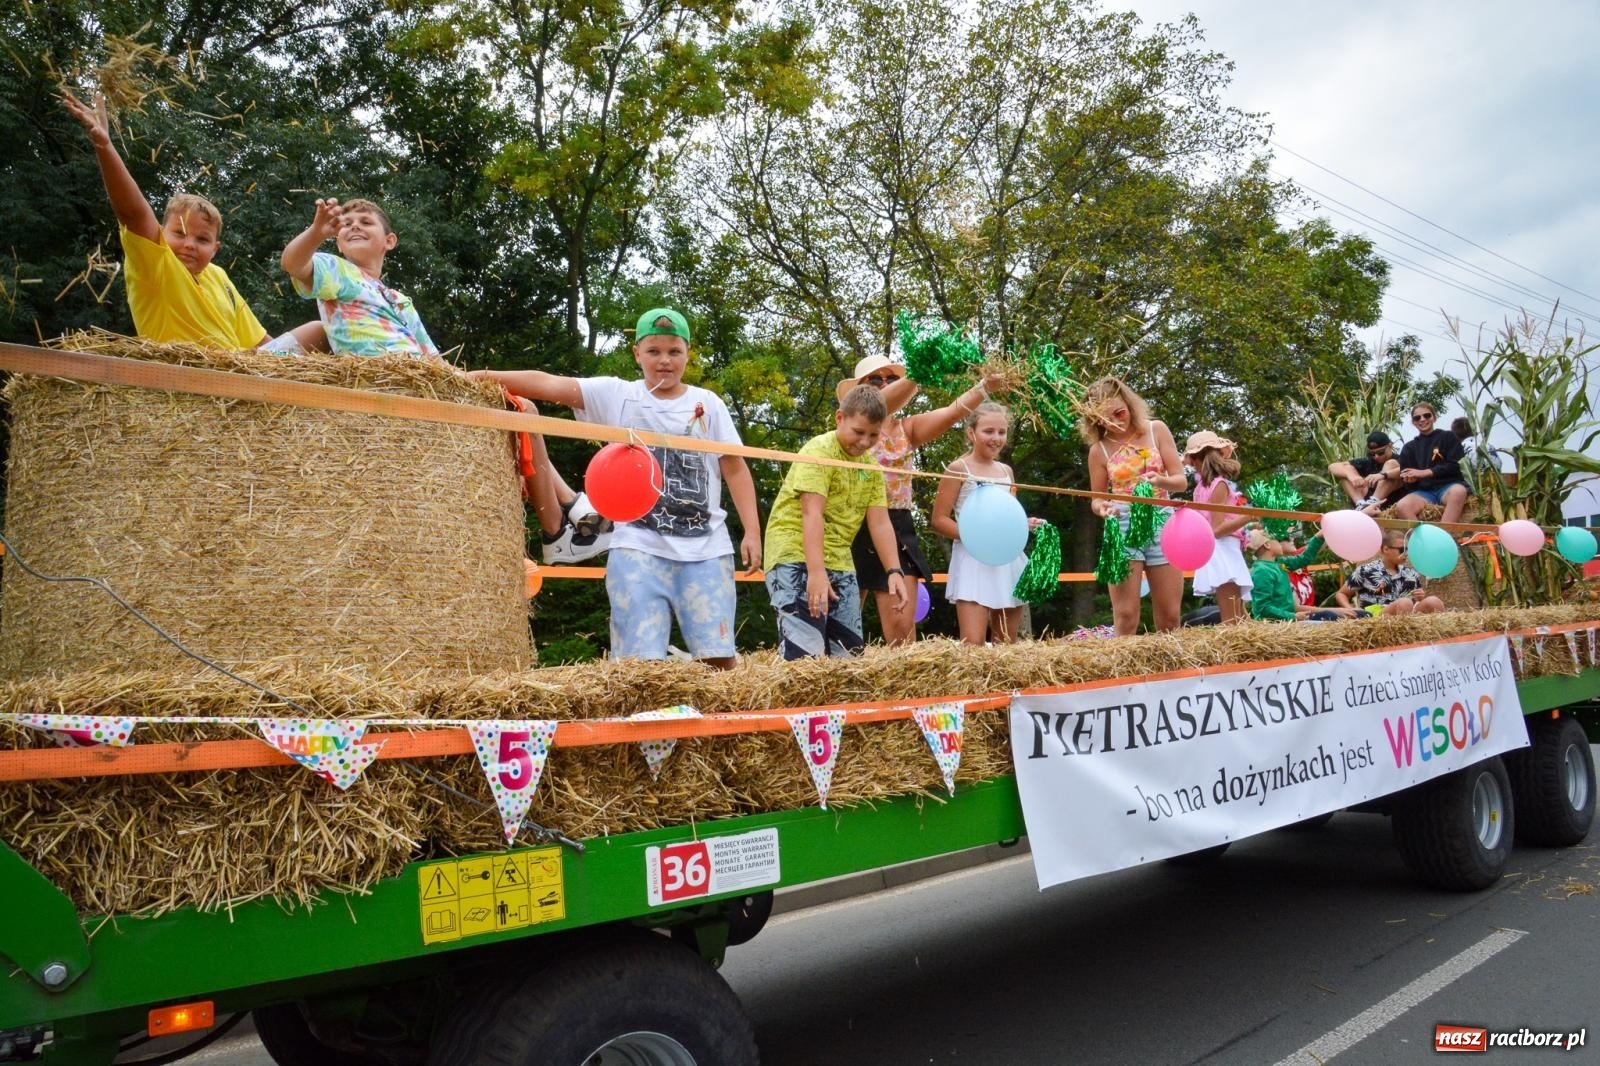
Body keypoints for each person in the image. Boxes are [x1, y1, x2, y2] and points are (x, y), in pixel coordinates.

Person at [472, 307, 762, 668]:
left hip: (705, 550)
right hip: (637, 548)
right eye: (654, 351)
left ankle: (722, 725)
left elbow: (734, 468)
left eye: (674, 351)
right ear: (637, 354)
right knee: (637, 667)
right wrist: (474, 376)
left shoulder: (710, 405)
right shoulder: (618, 395)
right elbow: (549, 383)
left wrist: (751, 530)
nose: (665, 361)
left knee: (719, 660)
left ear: (688, 353)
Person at [60, 90, 320, 351]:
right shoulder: (156, 263)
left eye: (202, 239)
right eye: (180, 233)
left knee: (320, 331)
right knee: (317, 332)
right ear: (161, 233)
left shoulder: (218, 276)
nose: (190, 244)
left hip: (244, 373)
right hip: (189, 376)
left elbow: (260, 343)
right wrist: (105, 147)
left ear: (215, 249)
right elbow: (133, 213)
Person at [836, 355, 1005, 645]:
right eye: (876, 380)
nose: (886, 385)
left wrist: (984, 387)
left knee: (901, 636)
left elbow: (953, 412)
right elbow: (877, 404)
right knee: (839, 633)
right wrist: (918, 369)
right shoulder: (848, 427)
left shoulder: (908, 429)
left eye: (892, 379)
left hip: (896, 524)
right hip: (849, 523)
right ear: (858, 391)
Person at [764, 385, 907, 660]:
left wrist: (894, 571)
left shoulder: (871, 468)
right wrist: (816, 573)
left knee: (849, 659)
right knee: (806, 660)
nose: (865, 442)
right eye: (858, 432)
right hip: (795, 554)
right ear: (839, 418)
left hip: (840, 560)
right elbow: (812, 513)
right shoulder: (819, 450)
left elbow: (879, 523)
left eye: (874, 435)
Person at [929, 403, 1042, 645]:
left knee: (1006, 643)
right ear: (971, 433)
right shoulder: (958, 469)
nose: (996, 438)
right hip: (973, 561)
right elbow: (938, 520)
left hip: (1007, 559)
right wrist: (976, 539)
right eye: (988, 431)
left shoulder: (1006, 471)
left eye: (1001, 432)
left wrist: (1024, 523)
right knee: (973, 644)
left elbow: (1005, 517)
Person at [1081, 377, 1186, 635]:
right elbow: (1097, 498)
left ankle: (1172, 671)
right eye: (1105, 420)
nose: (1116, 422)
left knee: (1170, 617)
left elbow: (1181, 481)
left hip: (1162, 519)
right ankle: (1123, 673)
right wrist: (1102, 508)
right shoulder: (1099, 451)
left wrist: (1161, 480)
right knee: (1126, 616)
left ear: (1129, 404)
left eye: (1119, 413)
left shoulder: (1156, 430)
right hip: (1123, 523)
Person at [279, 198, 438, 358]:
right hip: (375, 375)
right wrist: (316, 233)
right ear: (339, 245)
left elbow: (433, 359)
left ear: (389, 241)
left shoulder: (400, 301)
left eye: (366, 222)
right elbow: (292, 264)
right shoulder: (335, 269)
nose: (355, 226)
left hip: (414, 374)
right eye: (346, 224)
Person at [1183, 431, 1251, 624]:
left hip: (1221, 549)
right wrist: (1249, 516)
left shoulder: (1199, 489)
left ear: (1196, 459)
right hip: (1223, 550)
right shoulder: (1219, 484)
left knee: (1239, 614)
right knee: (1233, 618)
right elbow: (1217, 529)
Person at [1245, 527, 1359, 621]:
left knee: (1337, 616)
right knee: (1330, 617)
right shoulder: (1261, 571)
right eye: (1276, 539)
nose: (1279, 542)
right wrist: (1293, 616)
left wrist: (1318, 537)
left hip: (1289, 619)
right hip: (1278, 623)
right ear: (1267, 545)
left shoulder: (1280, 563)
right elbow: (1262, 608)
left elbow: (1304, 558)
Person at [1333, 529, 1446, 616]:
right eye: (1402, 550)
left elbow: (1416, 601)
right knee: (1404, 604)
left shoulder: (1411, 574)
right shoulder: (1365, 571)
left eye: (1408, 549)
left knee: (1434, 601)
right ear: (1385, 549)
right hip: (1378, 617)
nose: (1406, 553)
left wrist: (1420, 597)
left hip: (1409, 615)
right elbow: (1341, 594)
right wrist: (1350, 609)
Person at [1388, 402, 1469, 525]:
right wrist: (1410, 480)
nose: (1422, 420)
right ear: (1413, 422)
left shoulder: (1448, 437)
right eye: (1417, 418)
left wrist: (1425, 473)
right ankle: (1424, 540)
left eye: (1427, 415)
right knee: (1402, 506)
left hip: (1448, 487)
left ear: (1434, 417)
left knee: (1459, 491)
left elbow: (1456, 465)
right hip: (1424, 492)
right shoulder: (1409, 448)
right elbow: (1406, 478)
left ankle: (1444, 535)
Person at [1328, 432, 1402, 511]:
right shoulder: (1368, 462)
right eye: (1372, 453)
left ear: (1390, 446)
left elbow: (1407, 469)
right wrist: (1351, 476)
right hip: (1365, 502)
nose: (1376, 457)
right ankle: (1360, 504)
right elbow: (1332, 466)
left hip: (1391, 503)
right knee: (1346, 469)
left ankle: (1374, 502)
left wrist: (1383, 475)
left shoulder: (1401, 459)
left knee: (1391, 464)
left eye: (1380, 452)